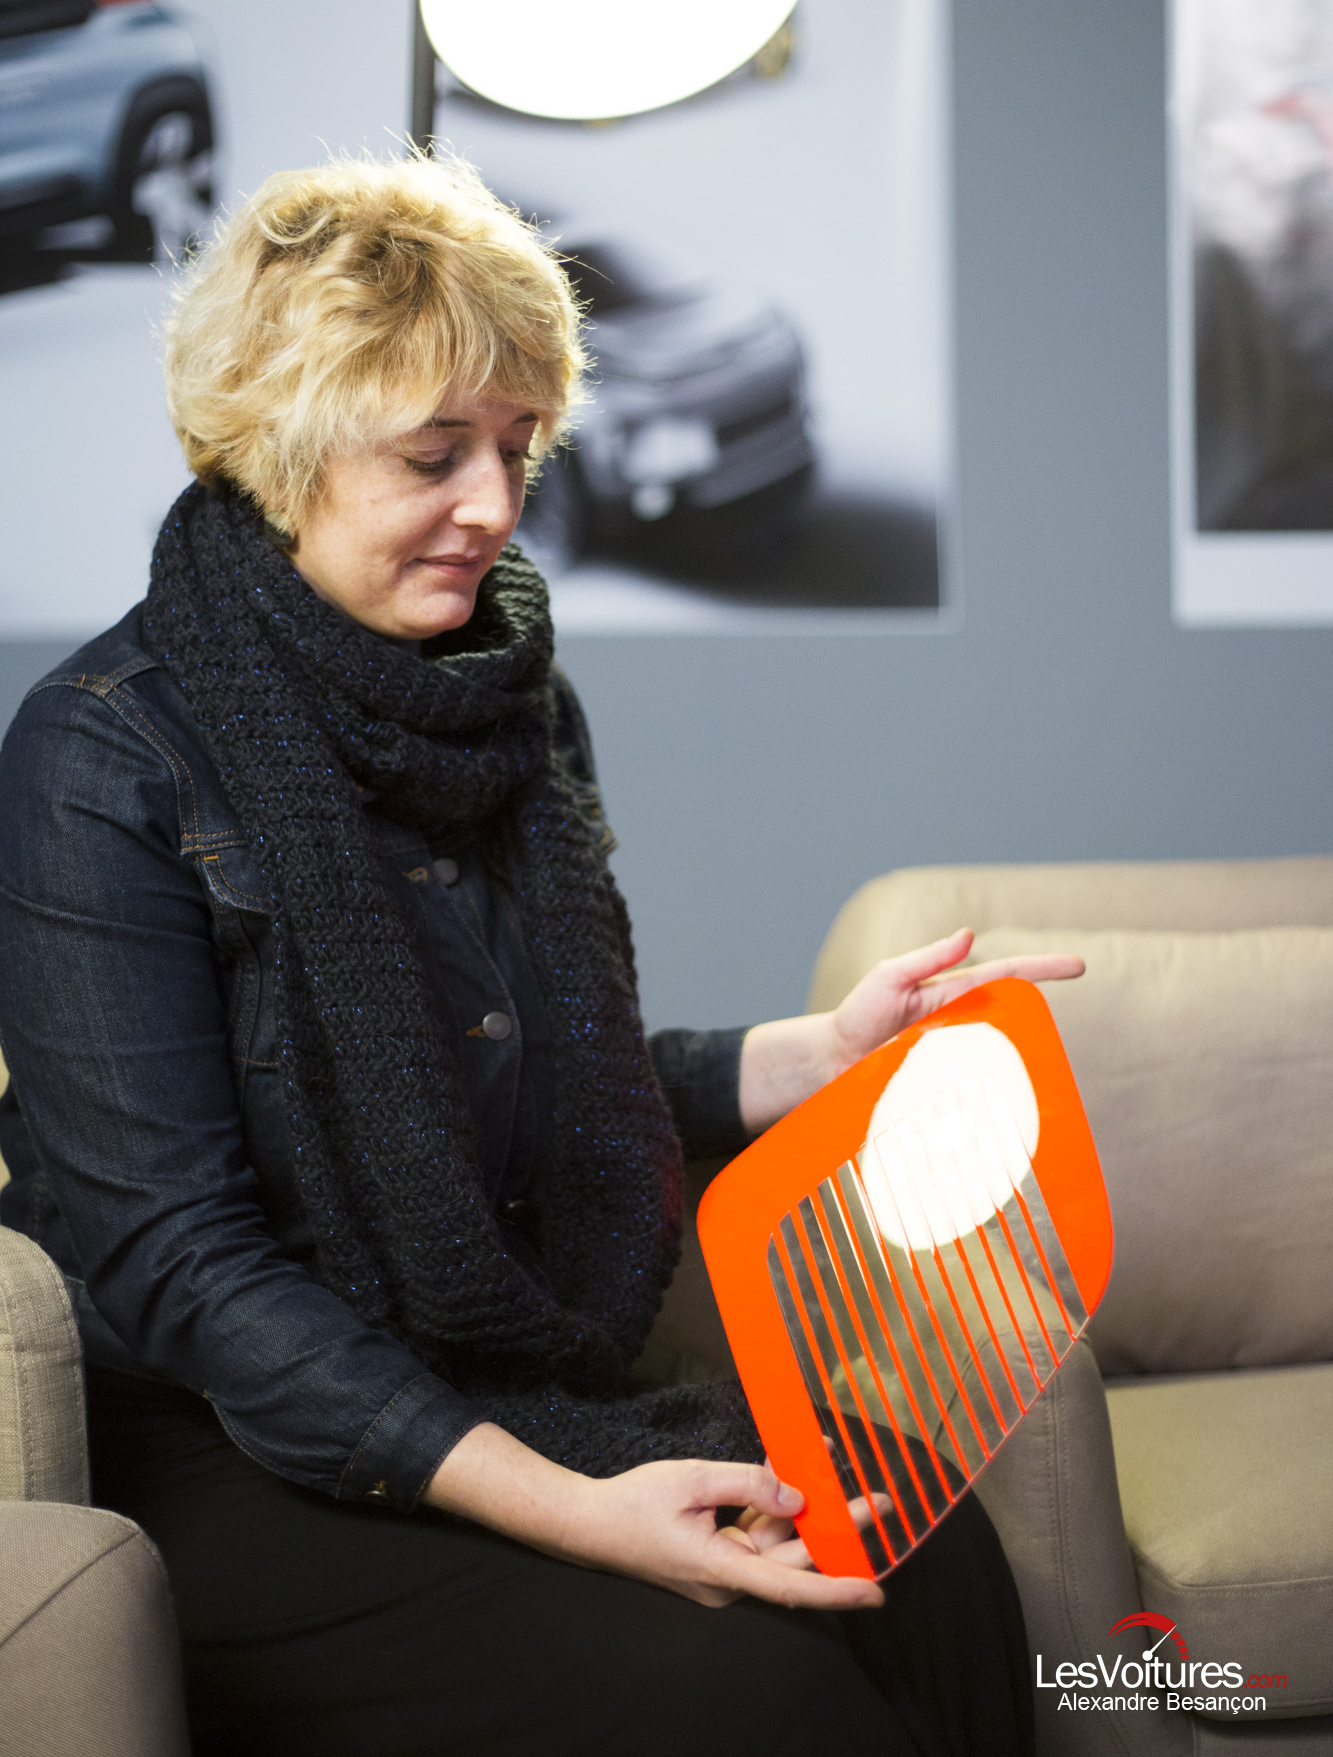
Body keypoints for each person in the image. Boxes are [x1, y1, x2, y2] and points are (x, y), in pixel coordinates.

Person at [0, 156, 1081, 1757]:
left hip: (486, 1368)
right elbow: (182, 1266)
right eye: (433, 454)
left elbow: (523, 1077)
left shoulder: (507, 703)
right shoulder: (103, 755)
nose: (498, 508)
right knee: (750, 1690)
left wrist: (809, 1058)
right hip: (219, 1445)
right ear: (277, 448)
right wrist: (580, 1509)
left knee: (926, 1549)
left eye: (516, 447)